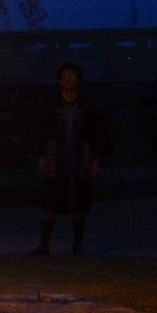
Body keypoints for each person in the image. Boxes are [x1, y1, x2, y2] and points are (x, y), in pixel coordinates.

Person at [32, 60, 107, 256]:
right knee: (50, 201)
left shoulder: (88, 106)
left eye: (73, 76)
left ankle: (77, 246)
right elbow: (39, 131)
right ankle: (44, 246)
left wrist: (96, 159)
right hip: (54, 158)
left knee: (80, 202)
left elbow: (98, 133)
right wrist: (40, 156)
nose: (69, 79)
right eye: (66, 76)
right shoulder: (50, 104)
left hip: (80, 158)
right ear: (60, 80)